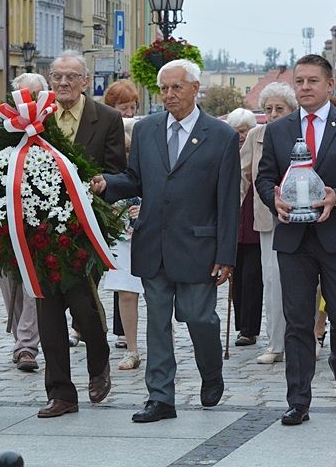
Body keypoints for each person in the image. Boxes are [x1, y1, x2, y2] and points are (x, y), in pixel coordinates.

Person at [91, 59, 240, 423]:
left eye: (177, 87)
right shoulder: (147, 130)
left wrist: (226, 254)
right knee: (157, 323)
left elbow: (227, 201)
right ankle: (160, 397)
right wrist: (108, 184)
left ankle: (211, 371)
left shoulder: (220, 136)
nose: (169, 95)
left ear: (195, 88)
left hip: (198, 247)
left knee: (199, 317)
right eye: (164, 88)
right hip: (153, 244)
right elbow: (136, 178)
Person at [255, 54, 336, 426]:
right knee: (297, 321)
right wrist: (274, 199)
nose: (305, 87)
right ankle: (298, 399)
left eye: (312, 81)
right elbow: (264, 178)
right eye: (299, 81)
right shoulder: (278, 130)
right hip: (294, 238)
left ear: (329, 85)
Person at [36, 50, 126, 418]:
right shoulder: (37, 118)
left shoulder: (107, 118)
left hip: (84, 230)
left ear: (85, 81)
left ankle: (98, 361)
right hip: (40, 231)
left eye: (71, 76)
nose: (63, 83)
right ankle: (61, 393)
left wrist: (104, 184)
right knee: (48, 314)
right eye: (57, 77)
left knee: (83, 307)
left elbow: (119, 172)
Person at [241, 83, 298, 364]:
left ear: (291, 110)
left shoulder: (300, 133)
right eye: (268, 109)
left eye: (279, 108)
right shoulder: (256, 136)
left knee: (303, 281)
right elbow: (241, 175)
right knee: (273, 280)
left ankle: (305, 338)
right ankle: (276, 343)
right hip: (267, 218)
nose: (273, 114)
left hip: (301, 218)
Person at [0, 72, 49, 372]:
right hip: (4, 220)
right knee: (9, 283)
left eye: (34, 96)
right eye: (23, 96)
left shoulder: (50, 126)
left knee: (34, 282)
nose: (28, 102)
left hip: (42, 222)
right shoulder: (0, 127)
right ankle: (21, 339)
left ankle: (27, 345)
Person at [103, 79, 142, 361]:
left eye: (131, 107)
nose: (127, 113)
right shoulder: (104, 134)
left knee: (160, 293)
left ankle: (164, 344)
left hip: (149, 224)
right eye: (122, 107)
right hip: (119, 225)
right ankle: (131, 347)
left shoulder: (145, 132)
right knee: (126, 291)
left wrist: (147, 207)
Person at [226, 108, 262, 347]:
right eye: (236, 131)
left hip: (254, 226)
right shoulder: (226, 152)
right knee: (236, 279)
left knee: (252, 278)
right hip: (233, 227)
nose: (240, 136)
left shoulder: (257, 150)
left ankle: (250, 329)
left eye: (244, 131)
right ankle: (241, 325)